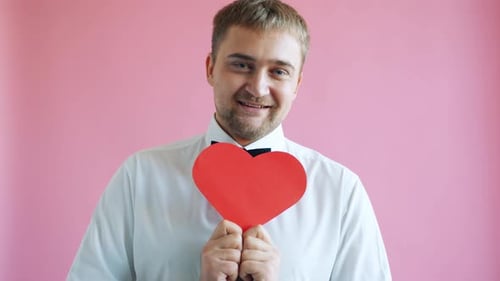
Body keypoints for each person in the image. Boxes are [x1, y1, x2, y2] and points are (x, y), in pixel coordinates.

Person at [67, 0, 392, 280]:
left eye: (278, 71)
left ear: (297, 83)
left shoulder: (341, 192)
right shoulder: (139, 177)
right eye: (241, 65)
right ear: (210, 68)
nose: (257, 87)